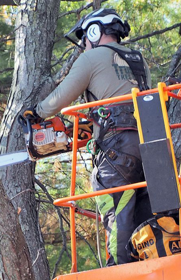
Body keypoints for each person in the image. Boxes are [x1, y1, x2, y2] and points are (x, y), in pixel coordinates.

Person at [25, 8, 152, 266]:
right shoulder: (138, 60)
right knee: (143, 204)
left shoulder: (91, 58)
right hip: (150, 143)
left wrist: (35, 113)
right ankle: (148, 259)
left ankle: (120, 268)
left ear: (95, 31)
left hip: (117, 148)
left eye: (84, 37)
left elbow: (62, 97)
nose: (83, 44)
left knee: (115, 205)